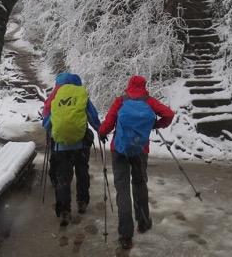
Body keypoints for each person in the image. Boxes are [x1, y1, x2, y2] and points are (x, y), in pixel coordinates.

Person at [98, 75, 174, 250]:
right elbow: (169, 114)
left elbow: (109, 122)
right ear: (144, 86)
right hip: (140, 151)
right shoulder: (149, 102)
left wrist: (102, 133)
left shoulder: (121, 101)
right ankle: (143, 223)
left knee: (122, 190)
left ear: (129, 85)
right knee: (140, 185)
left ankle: (125, 236)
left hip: (119, 149)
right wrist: (156, 125)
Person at [45, 73, 101, 226]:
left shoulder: (56, 98)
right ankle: (82, 202)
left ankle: (64, 210)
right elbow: (93, 117)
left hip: (61, 146)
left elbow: (46, 123)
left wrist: (53, 134)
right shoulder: (81, 97)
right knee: (82, 172)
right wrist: (100, 131)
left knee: (63, 178)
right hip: (81, 145)